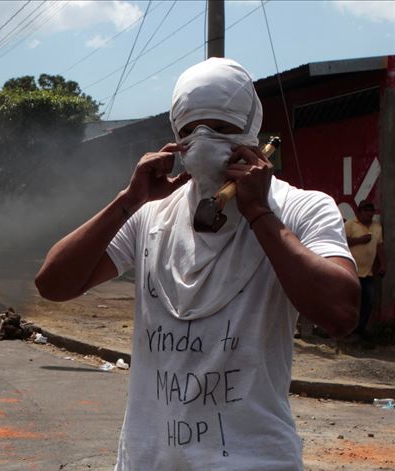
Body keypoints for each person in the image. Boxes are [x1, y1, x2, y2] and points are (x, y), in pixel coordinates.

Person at [35, 58, 359, 470]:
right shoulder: (151, 213)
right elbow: (53, 284)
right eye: (189, 130)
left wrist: (258, 212)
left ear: (251, 132)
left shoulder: (300, 208)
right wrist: (128, 200)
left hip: (253, 461)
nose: (203, 140)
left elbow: (340, 313)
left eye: (221, 128)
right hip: (147, 460)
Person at [345, 200, 386, 337]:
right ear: (360, 212)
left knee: (368, 300)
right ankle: (346, 330)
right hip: (351, 271)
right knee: (350, 302)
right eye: (366, 211)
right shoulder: (350, 224)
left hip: (367, 273)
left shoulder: (377, 227)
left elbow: (379, 246)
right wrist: (359, 240)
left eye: (371, 211)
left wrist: (383, 264)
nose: (369, 214)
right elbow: (341, 242)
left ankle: (360, 329)